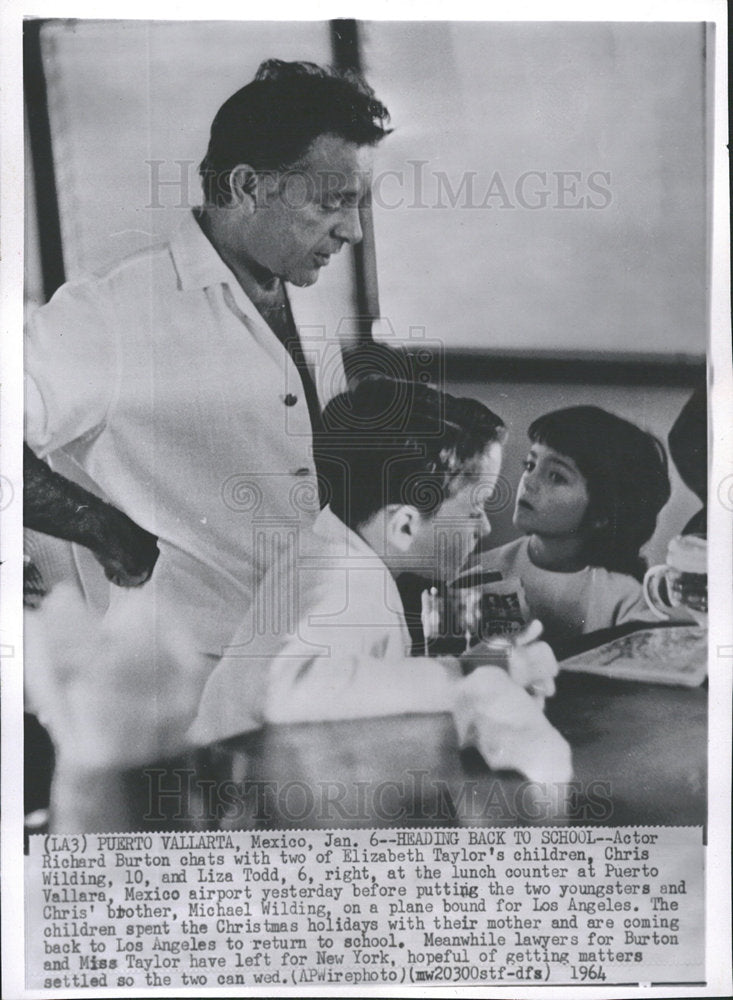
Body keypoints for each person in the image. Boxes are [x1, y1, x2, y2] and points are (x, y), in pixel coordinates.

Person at [24, 60, 391, 728]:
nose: (352, 232)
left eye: (358, 205)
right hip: (181, 702)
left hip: (308, 679)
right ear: (248, 186)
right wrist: (100, 527)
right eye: (331, 202)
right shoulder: (109, 313)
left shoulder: (308, 295)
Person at [189, 377, 571, 786]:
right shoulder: (338, 575)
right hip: (235, 809)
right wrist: (459, 673)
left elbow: (353, 689)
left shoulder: (344, 556)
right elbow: (286, 687)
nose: (485, 526)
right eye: (475, 508)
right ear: (404, 526)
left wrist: (471, 675)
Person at [474, 405, 673, 643]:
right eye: (530, 465)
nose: (529, 482)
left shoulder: (624, 597)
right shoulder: (484, 571)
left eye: (556, 476)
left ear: (602, 513)